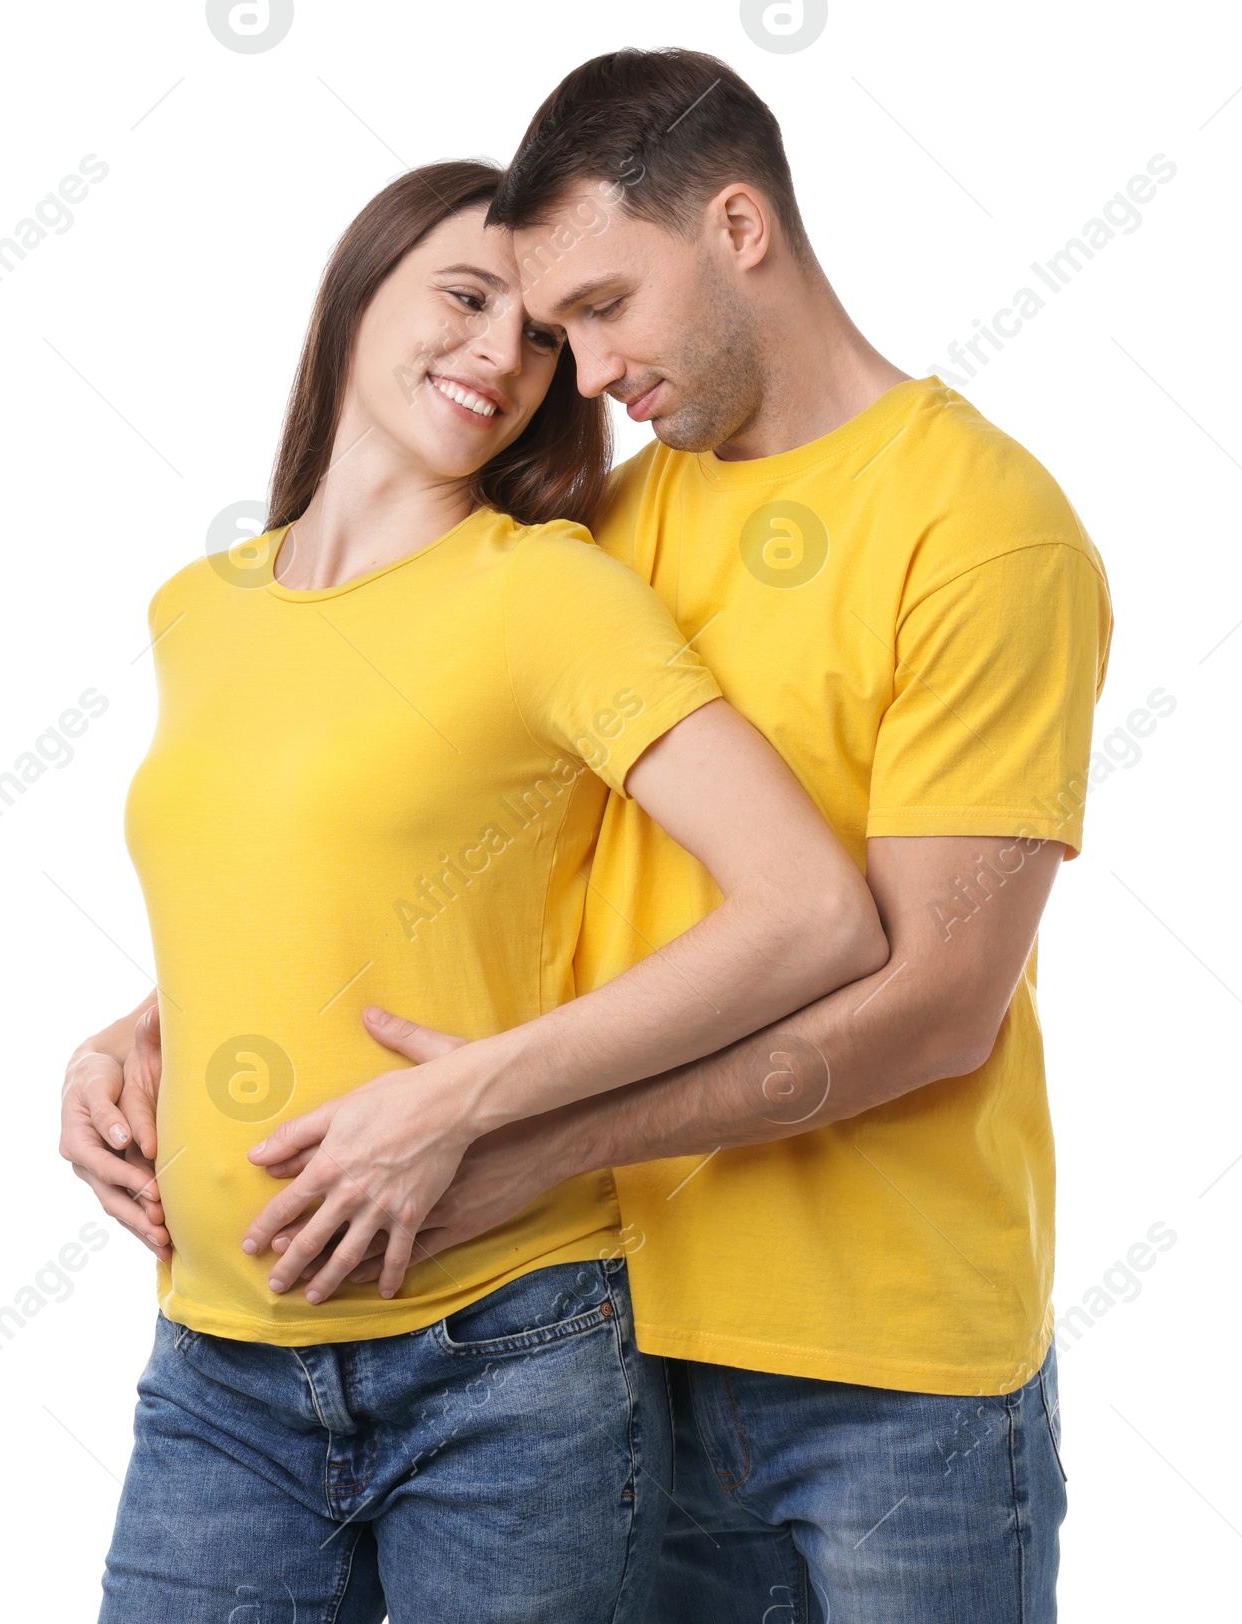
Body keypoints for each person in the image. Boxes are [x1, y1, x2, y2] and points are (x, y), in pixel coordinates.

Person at [249, 49, 1114, 1622]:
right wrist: (155, 1021)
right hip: (601, 1354)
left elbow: (937, 1005)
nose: (578, 372)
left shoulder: (982, 526)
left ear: (737, 225)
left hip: (894, 1388)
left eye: (602, 307)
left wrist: (522, 1146)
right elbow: (430, 842)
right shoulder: (602, 532)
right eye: (554, 328)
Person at [64, 157, 889, 1622]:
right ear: (357, 288)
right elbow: (296, 875)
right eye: (464, 298)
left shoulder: (545, 593)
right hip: (215, 1370)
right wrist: (130, 1034)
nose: (500, 358)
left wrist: (474, 1094)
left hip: (505, 1363)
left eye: (545, 341)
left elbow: (813, 909)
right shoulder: (201, 610)